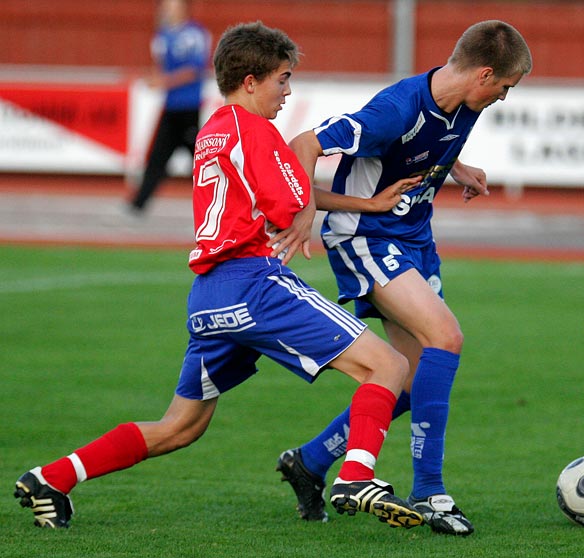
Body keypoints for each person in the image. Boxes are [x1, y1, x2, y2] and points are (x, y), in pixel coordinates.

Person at [14, 21, 424, 531]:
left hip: (209, 297)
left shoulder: (213, 129)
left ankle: (50, 478)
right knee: (388, 365)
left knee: (179, 426)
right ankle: (355, 475)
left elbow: (285, 196)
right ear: (250, 80)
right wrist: (343, 198)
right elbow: (289, 203)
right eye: (282, 78)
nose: (288, 90)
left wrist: (354, 203)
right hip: (254, 283)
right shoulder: (256, 131)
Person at [273, 20, 532, 536]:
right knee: (447, 336)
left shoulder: (464, 102)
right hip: (365, 235)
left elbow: (435, 139)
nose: (504, 97)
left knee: (411, 382)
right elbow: (303, 144)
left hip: (414, 239)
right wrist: (303, 213)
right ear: (484, 74)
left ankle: (309, 462)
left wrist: (456, 167)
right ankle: (430, 492)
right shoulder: (395, 110)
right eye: (504, 87)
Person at [129, 0, 211, 213]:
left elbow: (195, 70)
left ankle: (221, 196)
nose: (167, 10)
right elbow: (160, 68)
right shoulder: (162, 36)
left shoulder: (195, 34)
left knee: (199, 158)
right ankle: (139, 203)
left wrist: (164, 81)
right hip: (171, 105)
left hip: (189, 106)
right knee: (159, 155)